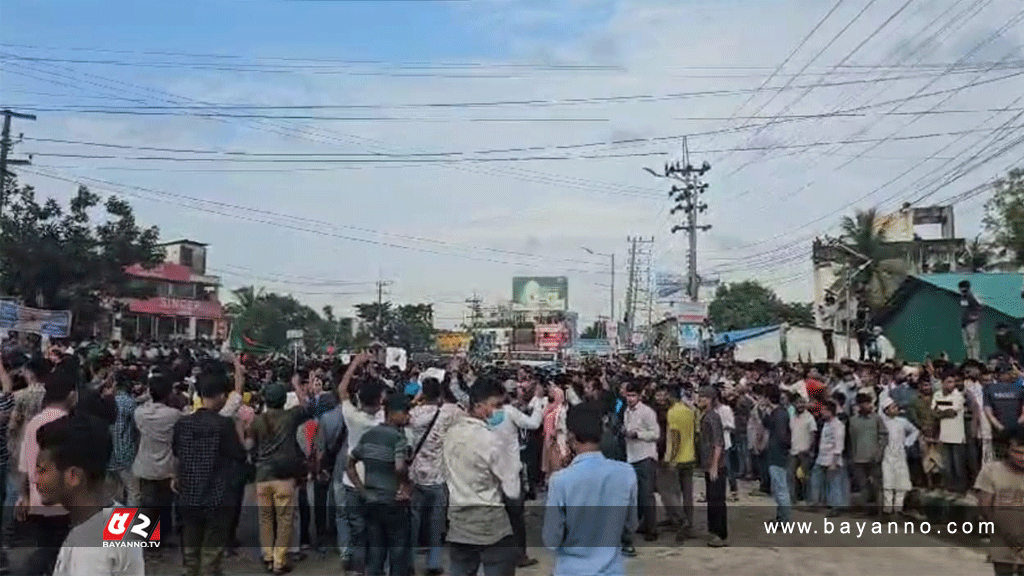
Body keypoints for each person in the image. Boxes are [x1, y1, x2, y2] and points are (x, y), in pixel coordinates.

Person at [36, 413, 144, 576]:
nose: (36, 479)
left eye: (42, 470)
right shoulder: (120, 515)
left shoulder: (88, 549)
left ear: (73, 476)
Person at [542, 403, 637, 576]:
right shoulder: (626, 473)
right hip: (612, 569)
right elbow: (631, 525)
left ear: (571, 436)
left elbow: (551, 540)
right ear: (601, 434)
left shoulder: (560, 481)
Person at [172, 368, 247, 576]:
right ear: (222, 396)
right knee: (211, 555)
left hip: (188, 496)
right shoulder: (223, 425)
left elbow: (177, 454)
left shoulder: (182, 424)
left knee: (190, 553)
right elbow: (239, 455)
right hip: (217, 497)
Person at [443, 377, 519, 576]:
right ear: (479, 406)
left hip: (458, 521)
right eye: (497, 405)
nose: (501, 410)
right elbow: (512, 489)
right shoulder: (491, 439)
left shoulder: (451, 433)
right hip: (490, 523)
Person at [17, 367, 76, 576]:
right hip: (63, 500)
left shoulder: (34, 423)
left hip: (36, 497)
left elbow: (25, 464)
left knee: (46, 545)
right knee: (56, 551)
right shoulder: (70, 424)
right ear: (71, 395)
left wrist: (23, 496)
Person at [251, 380, 313, 575]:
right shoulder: (290, 416)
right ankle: (279, 561)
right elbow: (308, 407)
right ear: (283, 400)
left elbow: (251, 446)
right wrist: (297, 386)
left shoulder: (257, 420)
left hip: (262, 475)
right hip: (284, 476)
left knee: (265, 519)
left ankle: (268, 556)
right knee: (284, 519)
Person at [347, 393, 412, 576]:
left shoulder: (369, 436)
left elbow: (350, 464)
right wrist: (404, 486)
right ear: (393, 414)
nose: (408, 417)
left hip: (371, 500)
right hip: (393, 502)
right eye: (405, 412)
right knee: (398, 552)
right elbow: (400, 467)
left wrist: (362, 490)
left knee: (375, 550)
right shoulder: (398, 438)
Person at [407, 377, 462, 576]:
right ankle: (433, 563)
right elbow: (463, 408)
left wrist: (416, 400)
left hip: (415, 476)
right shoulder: (448, 413)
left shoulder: (412, 414)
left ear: (422, 393)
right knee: (436, 522)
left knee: (413, 523)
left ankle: (409, 562)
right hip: (438, 476)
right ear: (439, 394)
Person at [132, 374, 182, 559]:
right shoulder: (174, 415)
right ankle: (160, 537)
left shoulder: (139, 413)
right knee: (164, 504)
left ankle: (145, 540)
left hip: (144, 463)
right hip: (167, 465)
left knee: (146, 504)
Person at [973, 429, 1024, 576]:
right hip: (1002, 542)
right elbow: (985, 508)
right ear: (1007, 450)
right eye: (1017, 453)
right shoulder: (991, 471)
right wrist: (1009, 537)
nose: (1022, 458)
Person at [622, 382, 659, 541]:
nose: (630, 399)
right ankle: (643, 523)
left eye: (633, 395)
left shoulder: (647, 412)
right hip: (632, 456)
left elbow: (656, 434)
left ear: (639, 396)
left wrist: (638, 435)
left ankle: (652, 529)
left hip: (645, 456)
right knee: (637, 495)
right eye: (628, 395)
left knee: (647, 494)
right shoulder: (626, 411)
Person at [695, 386, 727, 547]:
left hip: (716, 465)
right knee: (712, 499)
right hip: (709, 463)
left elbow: (718, 443)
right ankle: (714, 531)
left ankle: (719, 534)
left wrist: (714, 465)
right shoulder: (706, 416)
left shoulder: (712, 417)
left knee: (716, 500)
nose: (699, 400)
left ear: (709, 399)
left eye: (702, 398)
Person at [665, 386, 697, 542]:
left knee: (672, 493)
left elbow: (675, 438)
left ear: (671, 396)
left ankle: (681, 521)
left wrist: (672, 459)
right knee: (688, 494)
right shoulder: (690, 411)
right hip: (690, 455)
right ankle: (689, 524)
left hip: (677, 459)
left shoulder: (672, 412)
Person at [847, 392, 887, 514]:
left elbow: (884, 436)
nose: (867, 406)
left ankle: (881, 512)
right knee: (862, 485)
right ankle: (865, 510)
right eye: (863, 403)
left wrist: (879, 453)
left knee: (877, 486)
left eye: (868, 403)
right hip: (858, 458)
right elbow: (850, 440)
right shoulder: (853, 420)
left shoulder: (877, 419)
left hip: (874, 458)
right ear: (859, 405)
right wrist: (852, 456)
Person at [879, 397, 918, 517]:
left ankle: (898, 508)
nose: (896, 409)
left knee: (902, 483)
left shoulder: (902, 421)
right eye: (893, 407)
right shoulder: (881, 422)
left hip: (900, 454)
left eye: (896, 406)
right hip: (887, 454)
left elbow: (915, 431)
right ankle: (887, 509)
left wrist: (906, 443)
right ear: (886, 410)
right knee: (888, 483)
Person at [933, 373, 968, 494]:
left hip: (957, 436)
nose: (952, 384)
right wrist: (945, 411)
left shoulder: (958, 396)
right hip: (944, 436)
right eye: (949, 381)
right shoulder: (937, 394)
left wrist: (942, 411)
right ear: (942, 383)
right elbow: (935, 413)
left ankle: (961, 489)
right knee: (947, 465)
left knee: (958, 466)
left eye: (953, 382)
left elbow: (952, 412)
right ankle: (950, 487)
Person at [762, 387, 791, 523]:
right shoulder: (777, 412)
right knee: (778, 487)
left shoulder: (779, 414)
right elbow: (767, 425)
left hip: (778, 453)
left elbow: (781, 435)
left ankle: (784, 519)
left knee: (780, 488)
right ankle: (781, 517)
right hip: (776, 452)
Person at [788, 395, 817, 504]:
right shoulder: (792, 417)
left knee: (805, 477)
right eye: (797, 403)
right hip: (793, 450)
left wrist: (809, 449)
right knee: (791, 475)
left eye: (802, 403)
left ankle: (808, 499)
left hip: (804, 450)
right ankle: (793, 499)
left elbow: (813, 434)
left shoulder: (810, 418)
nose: (800, 405)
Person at [959, 280, 983, 361]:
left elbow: (980, 305)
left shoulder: (972, 296)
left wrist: (973, 316)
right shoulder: (963, 297)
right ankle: (970, 358)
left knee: (973, 342)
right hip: (965, 322)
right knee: (967, 343)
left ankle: (975, 359)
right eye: (961, 290)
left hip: (972, 322)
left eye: (964, 290)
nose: (963, 292)